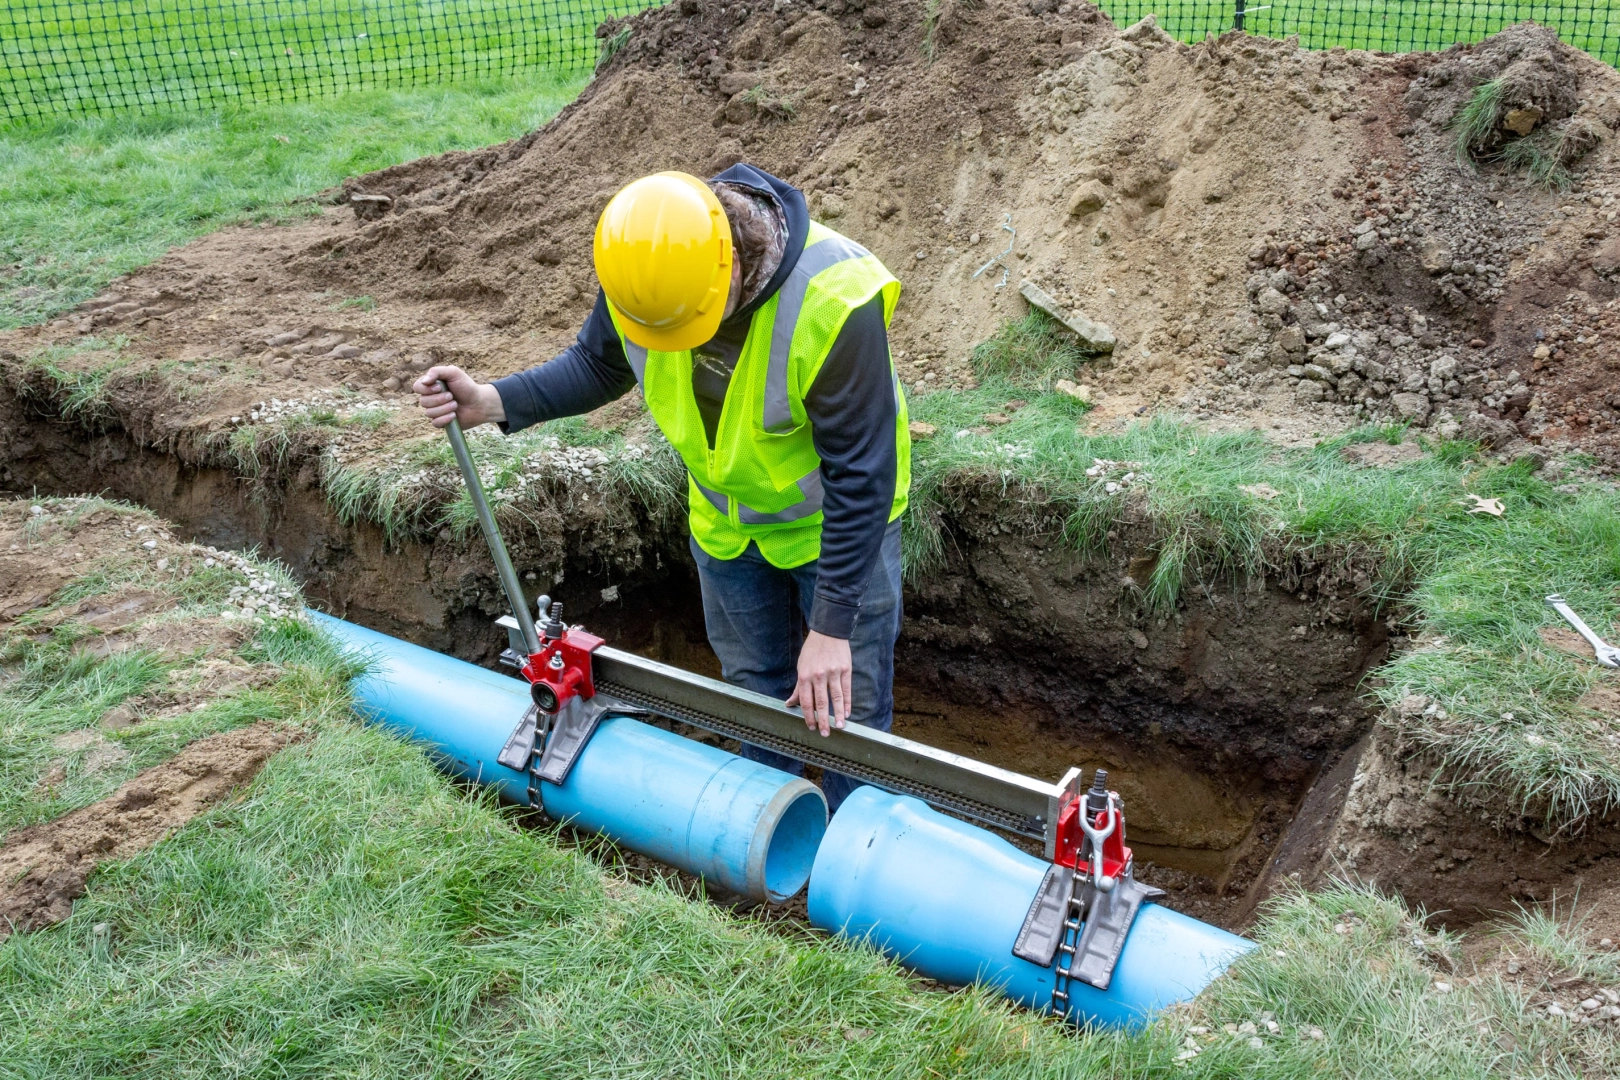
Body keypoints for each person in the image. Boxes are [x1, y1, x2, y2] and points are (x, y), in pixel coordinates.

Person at [414, 165, 911, 811]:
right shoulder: (646, 266)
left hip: (838, 530)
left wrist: (833, 626)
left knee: (850, 713)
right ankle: (768, 831)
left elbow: (861, 473)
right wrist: (491, 401)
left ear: (731, 268)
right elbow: (598, 364)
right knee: (755, 693)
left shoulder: (835, 299)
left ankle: (858, 853)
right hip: (729, 526)